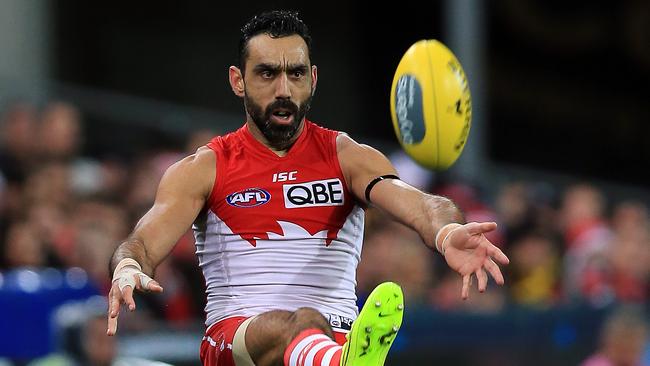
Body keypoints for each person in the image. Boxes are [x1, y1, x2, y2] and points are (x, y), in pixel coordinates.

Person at [106, 10, 509, 366]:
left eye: (295, 73)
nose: (283, 89)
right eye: (267, 73)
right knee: (300, 322)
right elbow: (142, 243)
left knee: (315, 325)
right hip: (238, 342)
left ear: (312, 79)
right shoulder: (204, 168)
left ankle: (339, 357)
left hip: (335, 333)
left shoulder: (347, 156)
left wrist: (447, 232)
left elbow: (421, 205)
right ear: (237, 81)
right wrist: (128, 266)